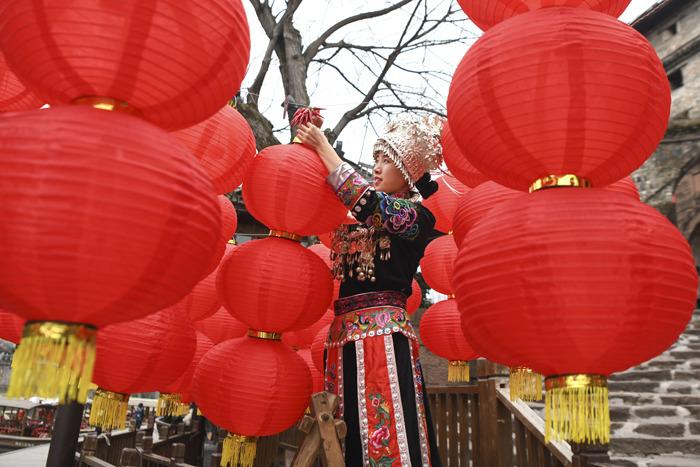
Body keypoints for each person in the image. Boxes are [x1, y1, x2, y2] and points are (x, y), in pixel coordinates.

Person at [297, 116, 442, 466]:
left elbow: (367, 204)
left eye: (386, 161)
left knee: (385, 431)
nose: (376, 168)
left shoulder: (415, 218)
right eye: (375, 159)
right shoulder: (360, 216)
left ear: (407, 173)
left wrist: (324, 148)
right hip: (343, 336)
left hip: (381, 338)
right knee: (347, 434)